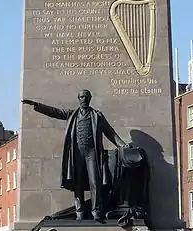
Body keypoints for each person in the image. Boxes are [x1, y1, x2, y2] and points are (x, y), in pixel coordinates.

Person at [22, 89, 126, 220]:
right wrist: (38, 106)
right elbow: (56, 112)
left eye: (87, 97)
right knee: (78, 183)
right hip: (77, 153)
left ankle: (96, 211)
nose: (84, 99)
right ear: (79, 98)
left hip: (92, 153)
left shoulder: (97, 115)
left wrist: (122, 144)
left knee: (95, 182)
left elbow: (110, 132)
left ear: (90, 98)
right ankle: (80, 212)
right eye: (82, 97)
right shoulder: (72, 114)